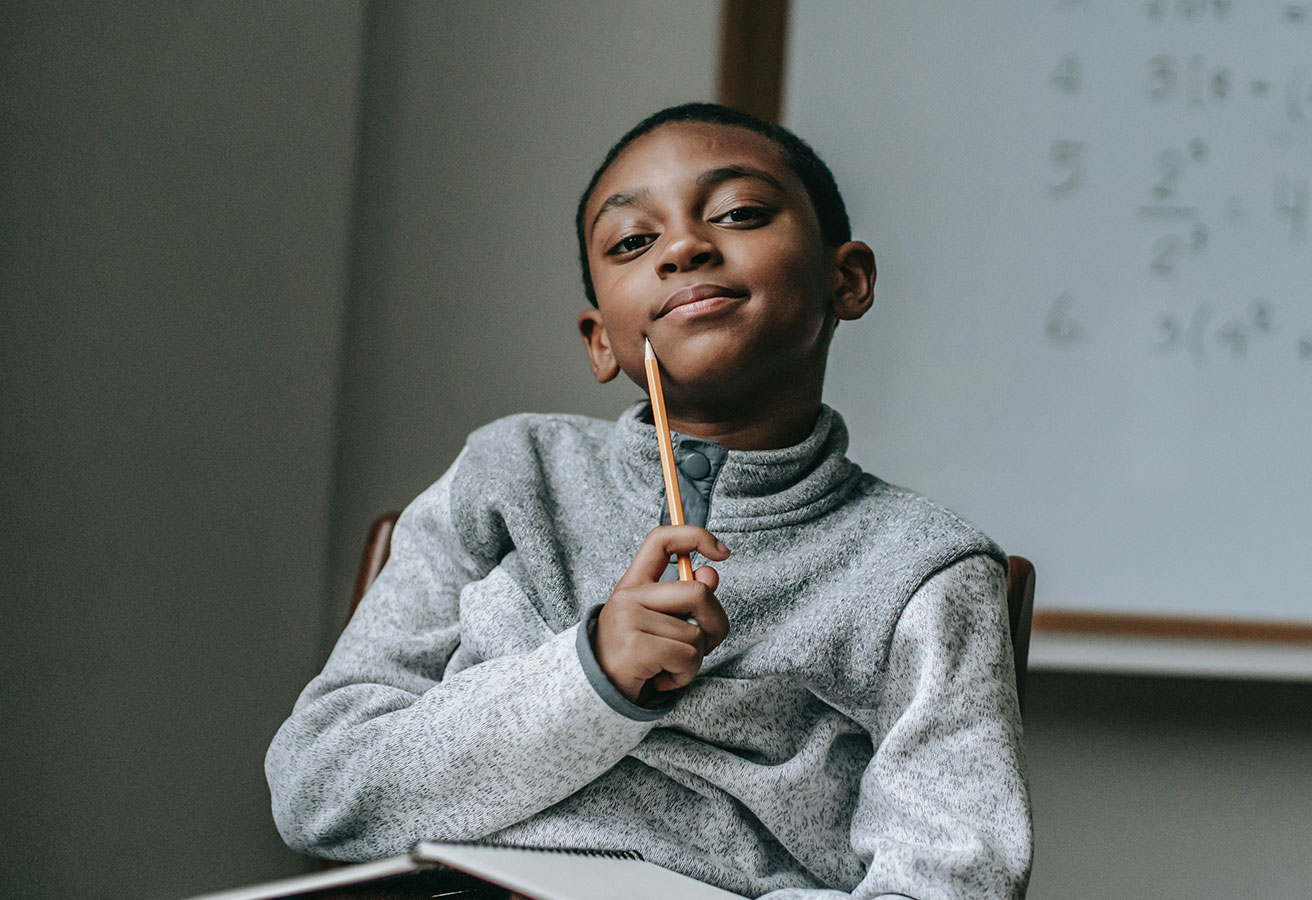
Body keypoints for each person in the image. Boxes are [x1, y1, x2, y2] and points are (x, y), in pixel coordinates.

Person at [266, 103, 1031, 899]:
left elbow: (948, 883)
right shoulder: (507, 473)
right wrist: (590, 672)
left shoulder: (923, 568)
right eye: (633, 242)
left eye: (739, 213)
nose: (685, 248)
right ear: (601, 339)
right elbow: (317, 787)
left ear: (848, 278)